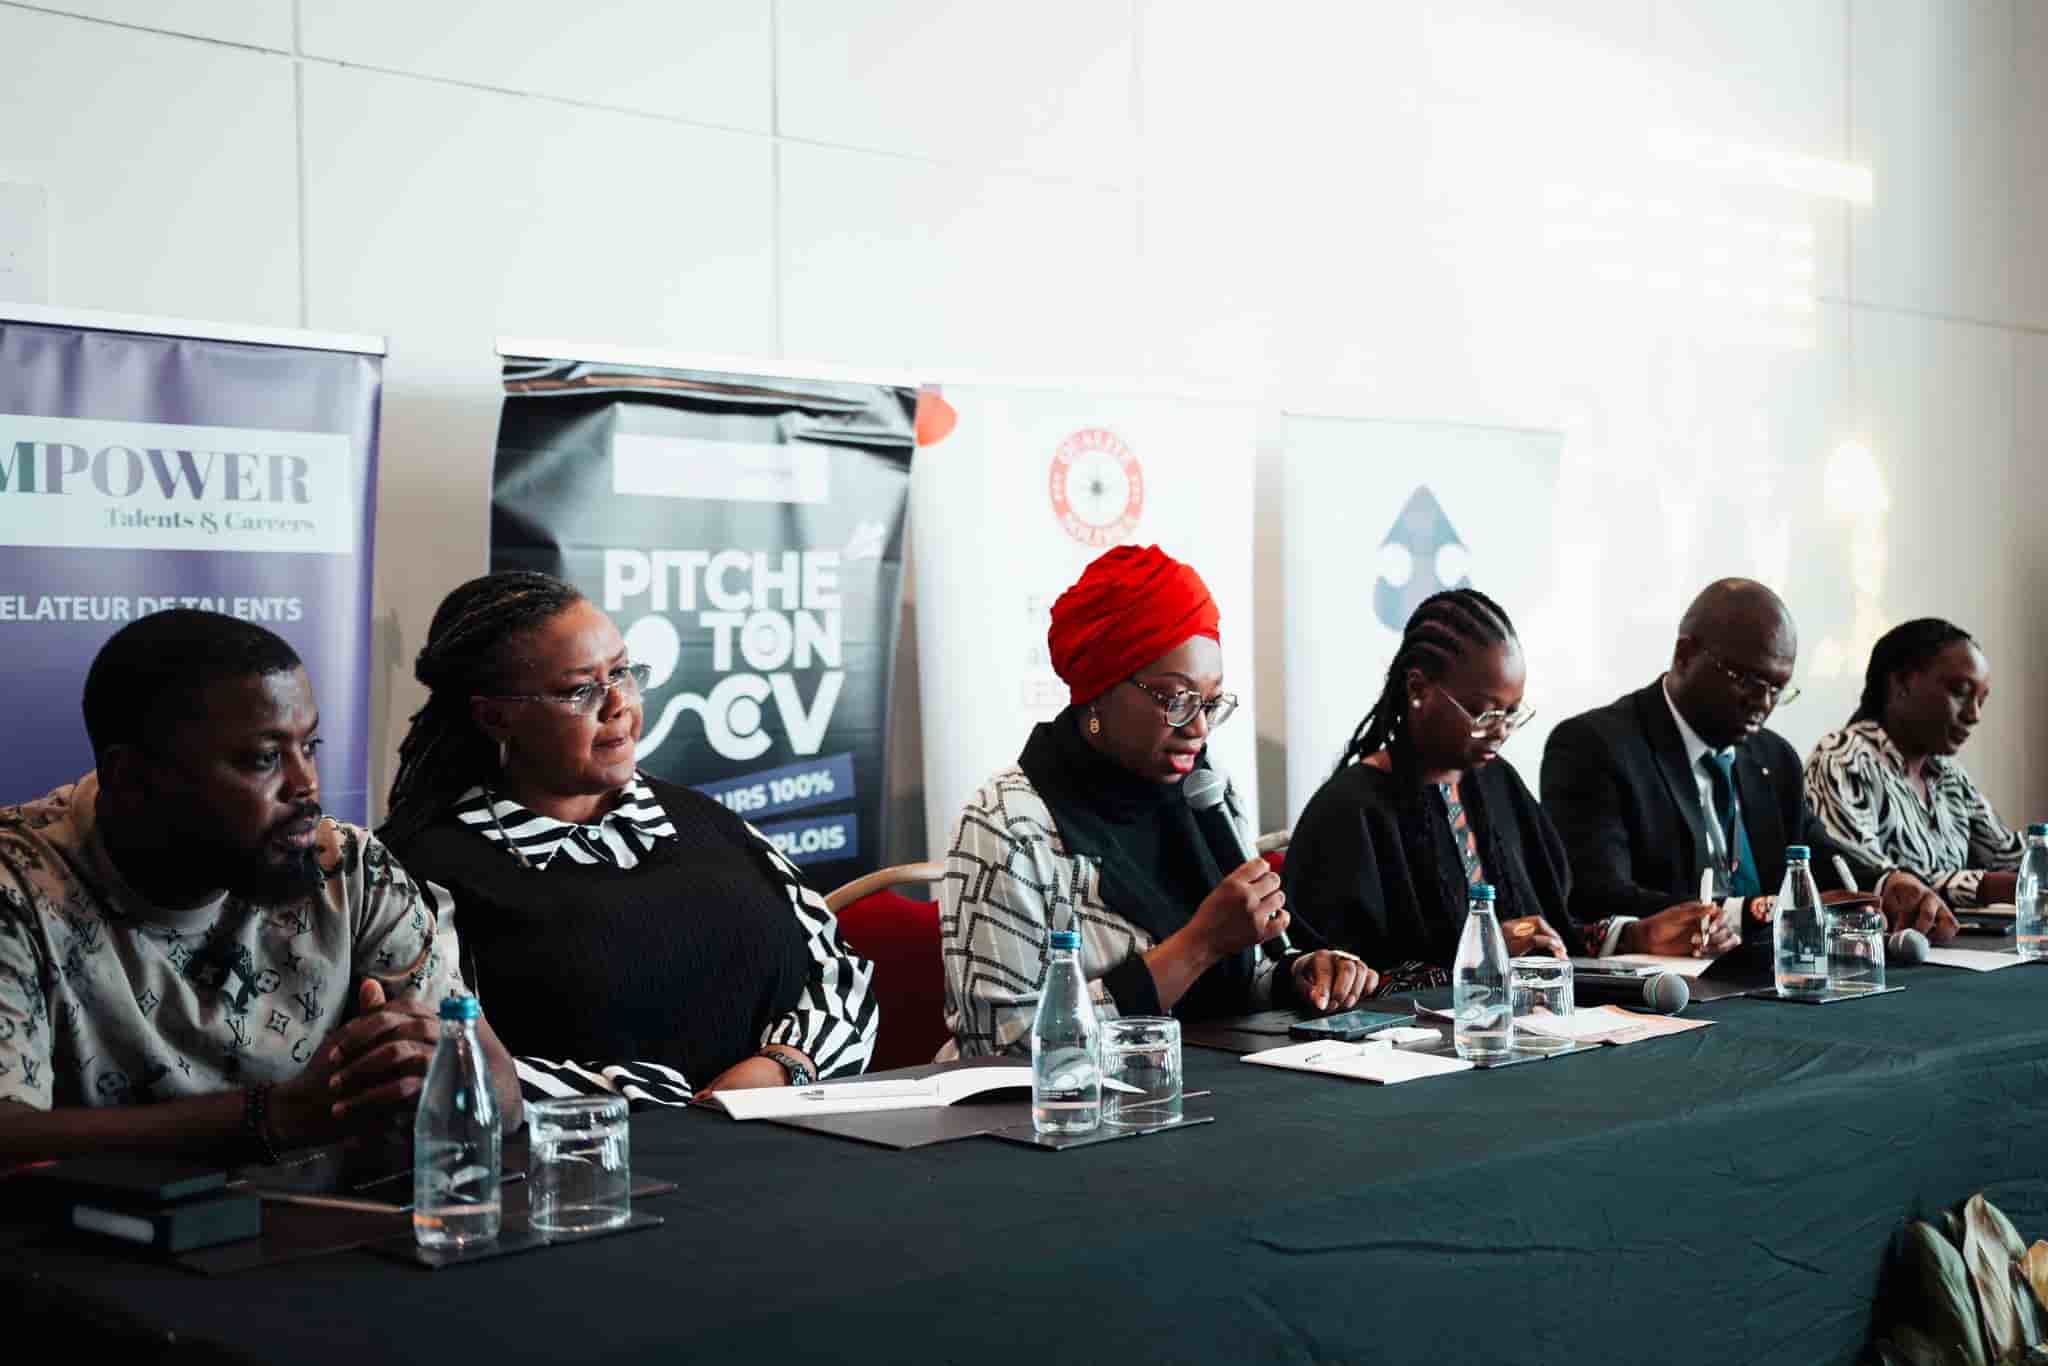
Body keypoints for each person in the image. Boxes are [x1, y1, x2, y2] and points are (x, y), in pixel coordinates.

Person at [0, 611, 520, 1161]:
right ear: (130, 777)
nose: (306, 784)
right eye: (265, 759)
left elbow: (502, 1093)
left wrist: (431, 1070)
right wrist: (273, 1117)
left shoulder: (349, 869)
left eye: (309, 747)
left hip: (331, 1215)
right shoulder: (18, 885)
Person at [379, 571, 875, 1105]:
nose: (617, 703)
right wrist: (666, 1101)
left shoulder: (708, 820)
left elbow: (839, 970)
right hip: (596, 1153)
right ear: (495, 716)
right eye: (579, 690)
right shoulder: (422, 872)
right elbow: (445, 1061)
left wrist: (786, 1065)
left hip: (795, 1131)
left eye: (621, 672)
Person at [941, 544, 1373, 1059]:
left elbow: (1236, 984)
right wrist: (1198, 945)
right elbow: (1002, 1047)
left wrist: (1295, 976)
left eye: (1210, 703)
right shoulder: (1007, 824)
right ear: (1100, 689)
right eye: (1178, 700)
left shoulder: (1206, 791)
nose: (1199, 728)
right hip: (1077, 1104)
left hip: (1219, 1089)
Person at [1541, 578, 1955, 956]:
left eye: (1777, 688)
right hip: (1674, 984)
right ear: (1685, 655)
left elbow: (1817, 855)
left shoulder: (1773, 756)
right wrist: (1750, 914)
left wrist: (1888, 883)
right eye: (1748, 681)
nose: (1763, 703)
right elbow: (1598, 895)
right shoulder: (1595, 746)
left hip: (1773, 973)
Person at [1284, 589, 1578, 994]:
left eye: (1511, 713)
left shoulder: (1500, 783)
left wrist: (1628, 933)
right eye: (1484, 713)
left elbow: (1557, 922)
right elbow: (1334, 985)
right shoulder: (1350, 810)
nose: (1501, 731)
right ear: (1419, 688)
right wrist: (1483, 953)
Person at [1804, 619, 2023, 908]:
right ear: (1902, 683)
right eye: (1960, 692)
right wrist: (1984, 887)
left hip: (1955, 936)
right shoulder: (1842, 759)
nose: (1974, 715)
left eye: (1980, 700)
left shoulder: (1949, 774)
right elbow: (1867, 882)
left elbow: (2010, 857)